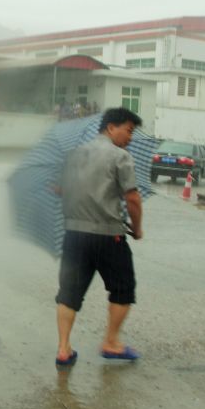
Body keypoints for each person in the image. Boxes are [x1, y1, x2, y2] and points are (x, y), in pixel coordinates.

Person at [55, 106, 144, 366]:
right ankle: (111, 342)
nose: (130, 138)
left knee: (69, 292)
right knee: (123, 288)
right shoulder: (120, 157)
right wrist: (136, 229)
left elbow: (60, 189)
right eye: (128, 130)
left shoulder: (72, 155)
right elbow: (133, 199)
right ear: (110, 127)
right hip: (109, 236)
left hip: (74, 235)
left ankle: (63, 349)